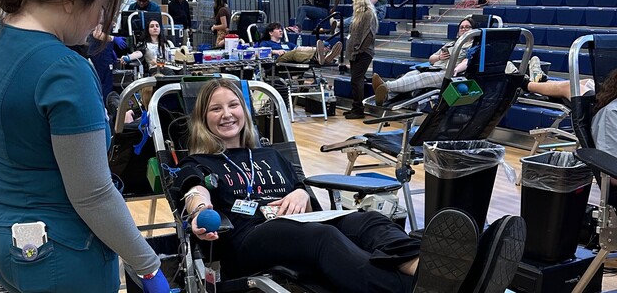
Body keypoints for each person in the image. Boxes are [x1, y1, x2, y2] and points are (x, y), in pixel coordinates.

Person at [174, 78, 525, 292]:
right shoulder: (201, 162)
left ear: (245, 112)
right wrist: (201, 209)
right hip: (247, 237)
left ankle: (425, 268)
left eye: (234, 105)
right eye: (215, 109)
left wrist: (298, 192)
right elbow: (194, 191)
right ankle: (411, 289)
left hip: (296, 223)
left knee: (365, 221)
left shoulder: (268, 155)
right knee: (323, 238)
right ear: (203, 119)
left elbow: (302, 191)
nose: (227, 114)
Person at [0, 0, 170, 292]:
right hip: (63, 251)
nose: (98, 22)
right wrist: (148, 266)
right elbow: (93, 194)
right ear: (70, 0)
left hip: (2, 236)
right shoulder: (64, 69)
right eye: (100, 9)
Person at [373, 17, 477, 106]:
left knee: (421, 78)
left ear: (473, 30)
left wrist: (456, 69)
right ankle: (386, 96)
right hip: (435, 68)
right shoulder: (450, 44)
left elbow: (466, 62)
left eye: (467, 27)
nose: (464, 29)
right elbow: (431, 59)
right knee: (411, 74)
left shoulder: (474, 46)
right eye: (462, 27)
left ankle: (386, 86)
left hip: (448, 73)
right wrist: (439, 57)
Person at [343, 0, 378, 119]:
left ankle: (359, 110)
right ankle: (355, 108)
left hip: (363, 53)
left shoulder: (368, 14)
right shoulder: (359, 14)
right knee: (355, 80)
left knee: (356, 80)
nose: (353, 3)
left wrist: (359, 49)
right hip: (355, 52)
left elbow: (369, 35)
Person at [258, 22, 342, 65]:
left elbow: (300, 48)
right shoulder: (266, 43)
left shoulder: (288, 44)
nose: (281, 31)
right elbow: (260, 52)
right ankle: (321, 55)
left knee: (300, 49)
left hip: (295, 59)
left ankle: (323, 55)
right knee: (296, 52)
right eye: (277, 29)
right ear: (270, 33)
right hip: (279, 60)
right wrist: (274, 51)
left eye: (281, 29)